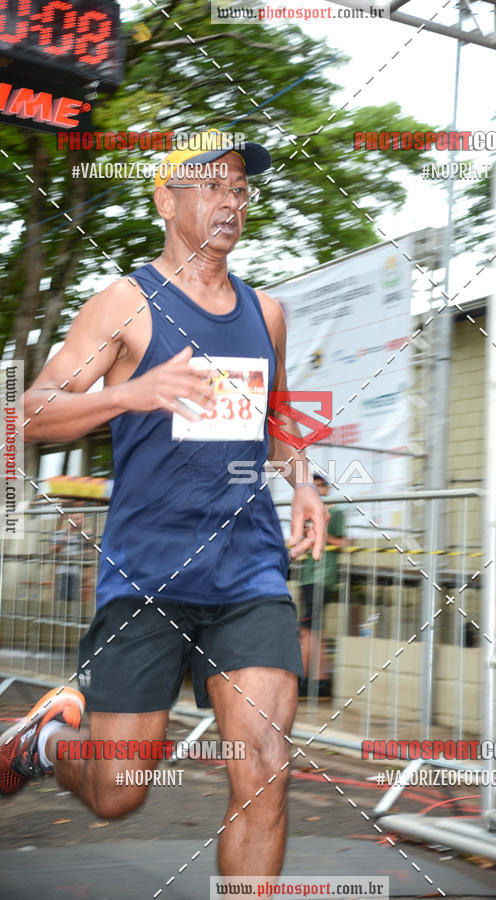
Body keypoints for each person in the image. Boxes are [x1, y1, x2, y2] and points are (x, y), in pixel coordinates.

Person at [1, 130, 328, 879]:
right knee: (119, 792)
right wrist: (130, 393)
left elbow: (275, 418)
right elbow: (28, 411)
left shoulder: (267, 312)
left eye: (240, 188)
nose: (230, 201)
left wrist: (305, 482)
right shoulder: (125, 304)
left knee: (265, 769)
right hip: (147, 575)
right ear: (165, 197)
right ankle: (47, 741)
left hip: (248, 575)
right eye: (212, 185)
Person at [298, 474, 347, 700]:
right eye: (313, 486)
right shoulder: (307, 512)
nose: (317, 490)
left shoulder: (334, 512)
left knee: (308, 628)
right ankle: (320, 682)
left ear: (327, 489)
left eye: (321, 486)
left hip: (322, 576)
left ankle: (303, 679)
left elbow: (343, 543)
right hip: (307, 575)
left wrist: (321, 533)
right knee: (314, 629)